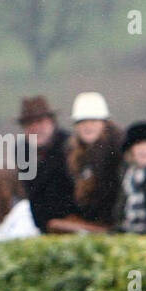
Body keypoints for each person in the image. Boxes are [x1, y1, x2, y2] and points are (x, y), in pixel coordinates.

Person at [50, 92, 122, 232]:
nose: (88, 127)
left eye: (93, 121)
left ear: (104, 123)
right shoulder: (73, 154)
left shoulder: (116, 151)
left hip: (112, 224)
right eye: (82, 122)